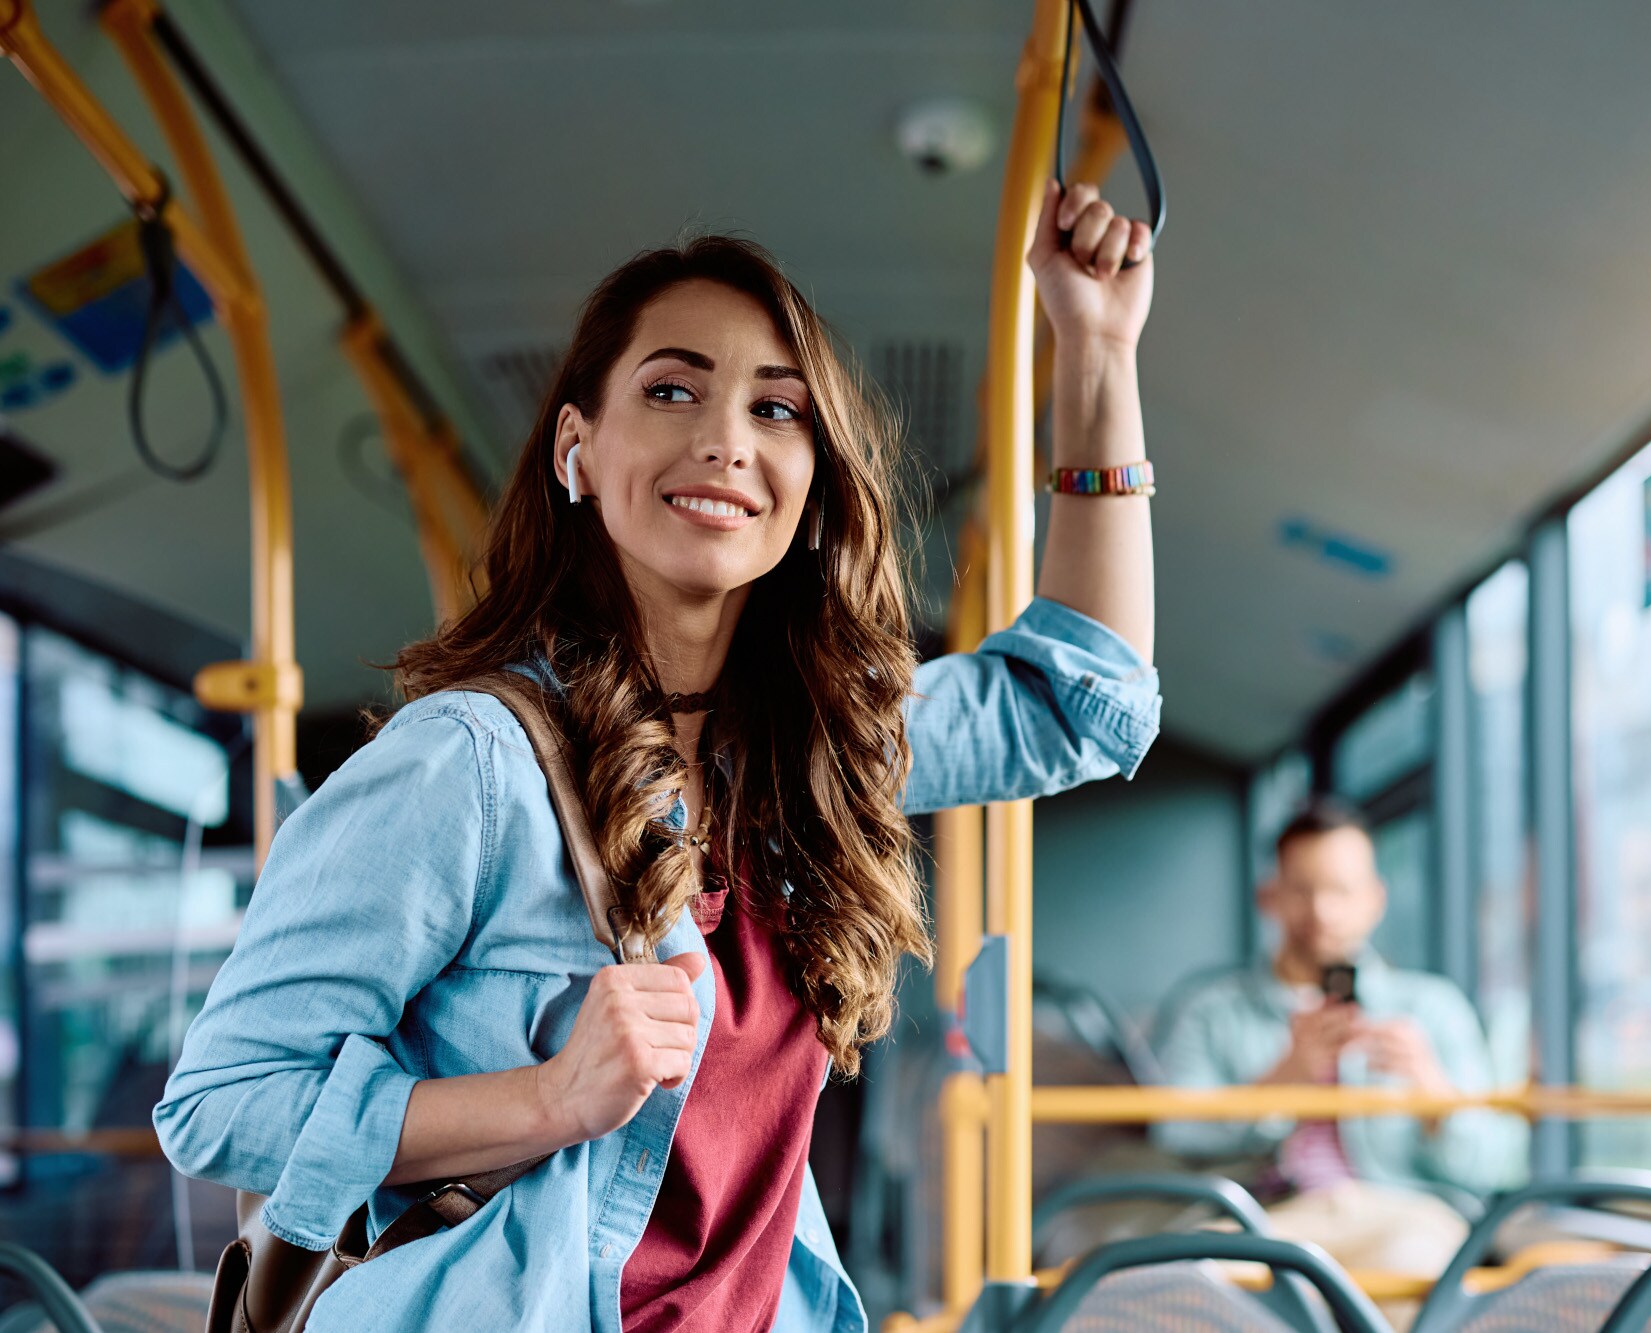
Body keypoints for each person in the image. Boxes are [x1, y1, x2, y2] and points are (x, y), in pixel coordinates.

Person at [154, 182, 1158, 1333]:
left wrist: (1095, 346)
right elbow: (221, 1104)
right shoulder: (468, 765)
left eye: (775, 410)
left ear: (812, 485)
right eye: (672, 390)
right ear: (576, 448)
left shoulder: (805, 755)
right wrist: (548, 1098)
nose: (725, 440)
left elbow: (1082, 704)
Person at [1152, 800, 1526, 1280]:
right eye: (1302, 890)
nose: (1321, 910)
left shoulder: (1432, 1008)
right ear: (1269, 896)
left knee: (1411, 1267)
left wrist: (1434, 1096)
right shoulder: (1210, 1010)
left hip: (1401, 1217)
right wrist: (1281, 1082)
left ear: (1375, 899)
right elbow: (1176, 1135)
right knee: (1191, 1282)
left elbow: (1494, 1165)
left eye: (1341, 890)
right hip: (1264, 1218)